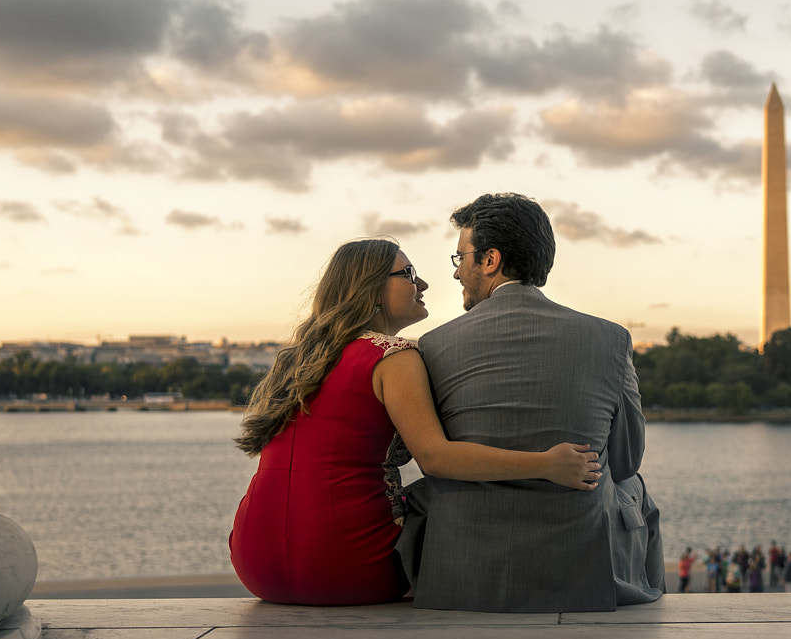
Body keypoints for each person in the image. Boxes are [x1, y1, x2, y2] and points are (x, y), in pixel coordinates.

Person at [229, 239, 600, 606]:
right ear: (372, 288)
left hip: (255, 564)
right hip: (344, 567)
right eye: (408, 274)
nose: (422, 285)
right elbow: (437, 458)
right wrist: (546, 465)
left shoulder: (297, 359)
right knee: (450, 492)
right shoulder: (393, 356)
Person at [395, 193, 665, 612]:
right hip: (576, 573)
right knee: (634, 486)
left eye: (460, 257)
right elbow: (627, 459)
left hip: (464, 573)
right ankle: (643, 598)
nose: (456, 273)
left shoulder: (434, 345)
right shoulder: (611, 339)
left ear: (490, 260)